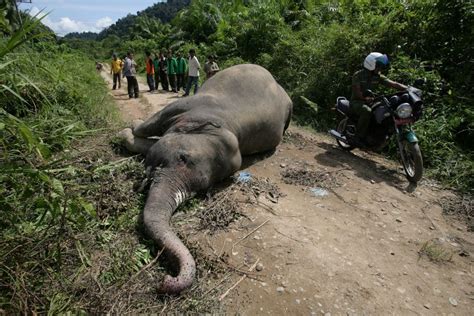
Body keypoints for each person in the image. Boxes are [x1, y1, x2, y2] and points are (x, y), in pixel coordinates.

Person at [351, 52, 407, 144]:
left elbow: (393, 84)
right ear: (371, 64)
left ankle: (375, 136)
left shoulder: (378, 77)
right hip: (357, 102)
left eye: (381, 66)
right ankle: (358, 137)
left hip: (372, 101)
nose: (380, 68)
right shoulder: (358, 75)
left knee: (384, 111)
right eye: (378, 66)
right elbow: (357, 92)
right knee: (367, 111)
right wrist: (365, 98)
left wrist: (408, 88)